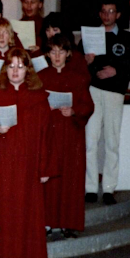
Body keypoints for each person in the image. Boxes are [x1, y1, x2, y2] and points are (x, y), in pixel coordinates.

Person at [0, 48, 53, 258]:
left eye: (20, 66)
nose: (15, 71)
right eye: (11, 66)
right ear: (5, 70)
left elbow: (46, 135)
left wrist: (44, 167)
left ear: (28, 70)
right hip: (0, 162)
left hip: (28, 164)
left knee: (26, 212)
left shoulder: (40, 99)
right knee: (2, 210)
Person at [82, 0, 130, 205]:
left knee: (111, 141)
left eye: (111, 11)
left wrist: (117, 71)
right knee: (90, 141)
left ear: (118, 15)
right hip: (92, 90)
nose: (106, 15)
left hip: (114, 93)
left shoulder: (127, 38)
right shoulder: (90, 36)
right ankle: (90, 188)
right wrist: (87, 63)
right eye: (103, 11)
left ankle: (109, 188)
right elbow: (75, 65)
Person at [38, 34, 94, 237]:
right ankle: (47, 222)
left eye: (61, 51)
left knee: (70, 178)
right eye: (53, 52)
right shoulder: (41, 77)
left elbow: (88, 105)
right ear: (47, 54)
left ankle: (68, 223)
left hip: (71, 134)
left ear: (68, 53)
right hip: (50, 133)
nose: (57, 56)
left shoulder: (78, 78)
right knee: (50, 177)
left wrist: (74, 110)